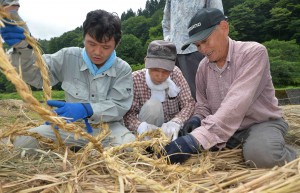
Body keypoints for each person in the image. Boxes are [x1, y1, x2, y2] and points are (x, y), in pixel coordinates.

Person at [162, 8, 297, 168]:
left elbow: (236, 103)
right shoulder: (203, 68)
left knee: (261, 156)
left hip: (259, 123)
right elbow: (203, 105)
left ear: (224, 28)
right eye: (197, 45)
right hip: (225, 128)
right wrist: (196, 119)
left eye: (205, 41)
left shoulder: (253, 53)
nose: (203, 50)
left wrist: (194, 140)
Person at [0, 9, 136, 149]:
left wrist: (87, 109)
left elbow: (119, 106)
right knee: (25, 143)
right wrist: (25, 48)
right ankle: (81, 150)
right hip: (70, 126)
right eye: (92, 44)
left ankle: (86, 153)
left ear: (115, 45)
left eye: (105, 47)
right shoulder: (68, 56)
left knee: (129, 147)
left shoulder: (123, 69)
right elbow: (36, 75)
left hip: (110, 129)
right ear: (84, 38)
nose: (97, 52)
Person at [124, 40, 195, 141]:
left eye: (166, 71)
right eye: (155, 70)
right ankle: (149, 145)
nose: (160, 76)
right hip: (147, 132)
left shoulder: (175, 74)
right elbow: (128, 114)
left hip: (171, 132)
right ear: (146, 62)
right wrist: (140, 127)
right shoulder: (136, 79)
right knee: (154, 105)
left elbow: (189, 103)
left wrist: (176, 122)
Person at [162, 0, 224, 99]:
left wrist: (211, 42)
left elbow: (217, 13)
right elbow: (166, 19)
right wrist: (168, 39)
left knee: (200, 91)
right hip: (174, 50)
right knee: (178, 91)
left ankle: (205, 114)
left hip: (198, 48)